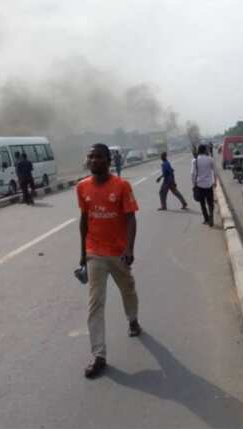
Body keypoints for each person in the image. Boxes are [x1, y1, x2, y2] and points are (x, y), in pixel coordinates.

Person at [77, 143, 141, 379]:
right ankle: (99, 355)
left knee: (128, 290)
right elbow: (84, 220)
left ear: (108, 160)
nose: (94, 160)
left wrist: (129, 248)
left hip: (118, 252)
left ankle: (133, 320)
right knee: (95, 303)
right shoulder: (82, 187)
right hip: (95, 252)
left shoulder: (122, 185)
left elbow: (131, 218)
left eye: (99, 157)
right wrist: (83, 253)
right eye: (90, 156)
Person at [191, 144, 217, 227]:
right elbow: (215, 171)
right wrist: (215, 181)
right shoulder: (210, 159)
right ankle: (211, 216)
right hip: (209, 185)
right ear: (205, 150)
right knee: (210, 203)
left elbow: (193, 174)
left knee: (202, 204)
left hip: (199, 185)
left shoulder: (195, 161)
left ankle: (206, 219)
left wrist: (194, 183)